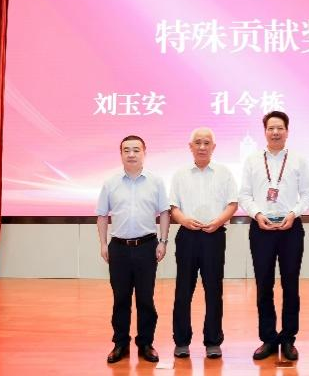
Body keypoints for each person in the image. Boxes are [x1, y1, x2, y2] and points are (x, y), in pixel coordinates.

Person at [239, 111, 309, 361]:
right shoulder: (252, 160)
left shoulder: (298, 160)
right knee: (264, 285)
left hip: (290, 228)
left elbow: (308, 194)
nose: (275, 132)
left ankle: (289, 338)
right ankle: (269, 338)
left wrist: (293, 214)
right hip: (261, 228)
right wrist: (257, 214)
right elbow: (244, 195)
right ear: (265, 132)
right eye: (271, 128)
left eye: (280, 128)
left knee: (290, 285)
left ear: (287, 131)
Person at [97, 135, 170, 364]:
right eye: (126, 150)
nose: (131, 154)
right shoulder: (110, 183)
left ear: (144, 153)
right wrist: (103, 244)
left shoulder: (156, 182)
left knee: (145, 298)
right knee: (121, 299)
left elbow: (165, 213)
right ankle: (120, 343)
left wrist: (163, 241)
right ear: (120, 154)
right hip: (118, 248)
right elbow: (102, 215)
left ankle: (146, 343)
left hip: (147, 247)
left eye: (136, 150)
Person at [169, 128, 237, 359]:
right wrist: (183, 220)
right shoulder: (180, 174)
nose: (202, 147)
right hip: (187, 236)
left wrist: (218, 222)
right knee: (183, 290)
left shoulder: (224, 173)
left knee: (214, 290)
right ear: (190, 147)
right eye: (197, 142)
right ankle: (181, 341)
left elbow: (232, 203)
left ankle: (213, 341)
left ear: (213, 147)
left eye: (206, 143)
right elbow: (173, 207)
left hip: (214, 236)